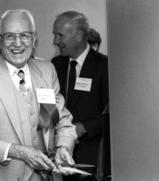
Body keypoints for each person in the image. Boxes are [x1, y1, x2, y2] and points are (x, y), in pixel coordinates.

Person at [0, 9, 78, 181]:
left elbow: (61, 119)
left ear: (34, 39)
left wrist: (64, 147)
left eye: (24, 35)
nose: (18, 43)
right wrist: (18, 152)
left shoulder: (47, 71)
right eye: (9, 36)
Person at [51, 11, 110, 180]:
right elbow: (49, 106)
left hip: (91, 161)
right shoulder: (55, 65)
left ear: (77, 35)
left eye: (59, 35)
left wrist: (82, 128)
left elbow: (116, 119)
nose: (55, 41)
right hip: (59, 156)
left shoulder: (105, 66)